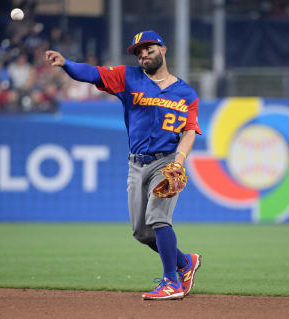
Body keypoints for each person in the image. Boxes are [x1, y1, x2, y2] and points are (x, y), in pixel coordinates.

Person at [45, 30, 202, 300]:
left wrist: (179, 162)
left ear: (163, 49)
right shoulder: (128, 77)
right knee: (141, 232)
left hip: (165, 162)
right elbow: (92, 73)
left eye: (148, 48)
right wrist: (66, 63)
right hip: (136, 164)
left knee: (158, 218)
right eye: (138, 51)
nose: (143, 54)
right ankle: (185, 262)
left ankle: (171, 281)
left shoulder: (186, 93)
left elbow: (189, 131)